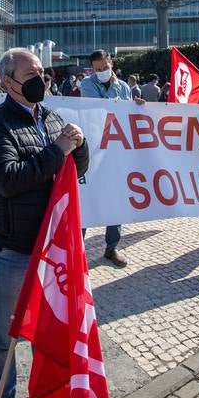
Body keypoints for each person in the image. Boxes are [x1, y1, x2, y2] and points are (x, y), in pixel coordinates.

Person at [0, 48, 89, 398]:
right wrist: (57, 149)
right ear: (7, 81)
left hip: (54, 246)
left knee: (48, 331)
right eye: (30, 73)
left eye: (42, 71)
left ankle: (44, 396)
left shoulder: (52, 117)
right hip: (15, 248)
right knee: (5, 336)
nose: (42, 78)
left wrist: (79, 145)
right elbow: (9, 179)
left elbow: (77, 171)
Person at [80, 50, 144, 267]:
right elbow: (101, 109)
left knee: (116, 200)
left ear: (110, 63)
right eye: (97, 70)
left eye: (104, 68)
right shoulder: (87, 85)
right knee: (87, 199)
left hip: (115, 151)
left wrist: (136, 106)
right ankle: (76, 249)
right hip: (93, 151)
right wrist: (119, 99)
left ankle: (112, 247)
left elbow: (125, 116)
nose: (101, 72)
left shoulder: (125, 87)